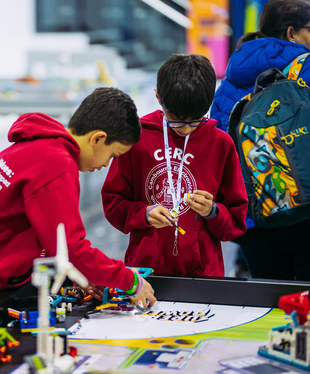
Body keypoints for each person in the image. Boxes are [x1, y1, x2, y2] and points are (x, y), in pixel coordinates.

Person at [0, 87, 157, 320]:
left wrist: (80, 275)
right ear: (97, 138)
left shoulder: (38, 144)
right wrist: (131, 281)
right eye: (113, 155)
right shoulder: (57, 165)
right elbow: (72, 247)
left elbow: (46, 232)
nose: (106, 164)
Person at [101, 54, 248, 277]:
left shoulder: (221, 144)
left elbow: (236, 220)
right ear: (158, 98)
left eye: (196, 120)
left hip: (204, 274)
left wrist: (213, 211)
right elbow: (113, 203)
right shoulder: (137, 139)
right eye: (177, 119)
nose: (186, 129)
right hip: (145, 271)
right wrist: (144, 213)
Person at [210, 0, 310, 280]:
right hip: (304, 211)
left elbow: (218, 139)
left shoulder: (233, 76)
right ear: (291, 33)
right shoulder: (306, 68)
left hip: (253, 216)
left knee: (269, 302)